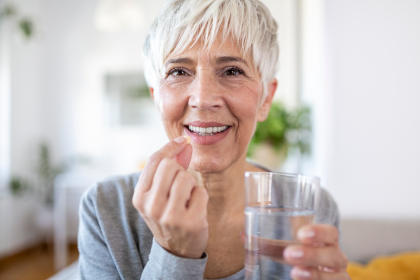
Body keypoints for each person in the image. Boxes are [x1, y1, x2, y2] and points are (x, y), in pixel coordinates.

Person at [78, 0, 349, 279]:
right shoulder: (105, 208)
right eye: (178, 72)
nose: (203, 99)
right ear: (156, 97)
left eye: (232, 71)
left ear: (266, 98)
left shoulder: (311, 207)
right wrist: (174, 255)